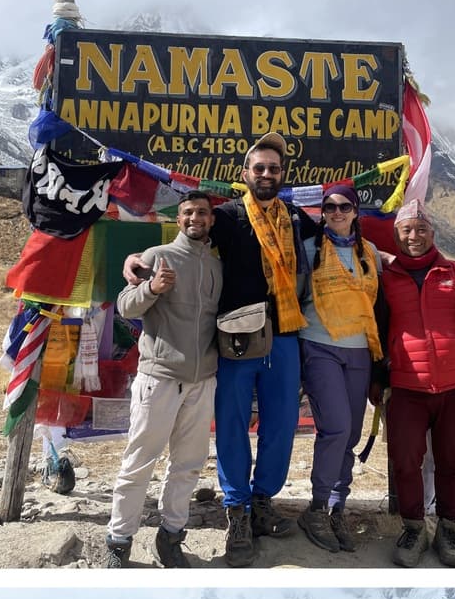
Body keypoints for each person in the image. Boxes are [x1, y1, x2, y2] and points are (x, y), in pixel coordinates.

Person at [125, 133, 318, 566]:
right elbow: (180, 242)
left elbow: (344, 237)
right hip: (235, 337)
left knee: (281, 424)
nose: (267, 174)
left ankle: (263, 499)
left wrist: (384, 257)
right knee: (231, 424)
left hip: (284, 333)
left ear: (282, 175)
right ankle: (238, 511)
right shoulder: (226, 217)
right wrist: (135, 259)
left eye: (274, 168)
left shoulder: (298, 218)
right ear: (245, 174)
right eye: (259, 168)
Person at [107, 191, 221, 568]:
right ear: (179, 217)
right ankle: (119, 541)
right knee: (139, 461)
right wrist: (151, 288)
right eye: (188, 212)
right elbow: (125, 305)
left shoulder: (218, 265)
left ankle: (171, 536)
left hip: (202, 380)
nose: (195, 219)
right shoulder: (158, 257)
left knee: (188, 466)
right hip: (159, 378)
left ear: (211, 219)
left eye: (202, 213)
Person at [377, 200, 455, 568]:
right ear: (397, 235)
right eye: (407, 230)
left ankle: (448, 529)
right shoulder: (386, 279)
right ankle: (413, 527)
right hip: (407, 385)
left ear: (433, 233)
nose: (414, 236)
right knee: (406, 460)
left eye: (421, 229)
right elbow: (377, 330)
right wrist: (378, 378)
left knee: (449, 461)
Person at [296, 181, 382, 554]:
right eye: (329, 207)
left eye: (343, 206)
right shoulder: (310, 250)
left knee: (351, 435)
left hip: (360, 350)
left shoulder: (371, 254)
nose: (336, 213)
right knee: (336, 428)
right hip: (320, 346)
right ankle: (316, 507)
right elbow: (293, 295)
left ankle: (336, 506)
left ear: (355, 211)